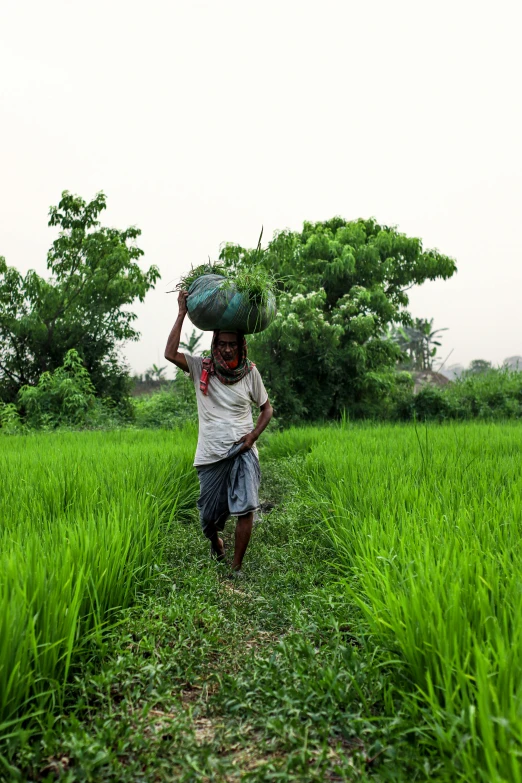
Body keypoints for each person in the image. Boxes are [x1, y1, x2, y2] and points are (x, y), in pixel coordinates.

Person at [164, 290, 273, 576]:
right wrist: (181, 314)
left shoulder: (250, 373)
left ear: (241, 345)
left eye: (232, 345)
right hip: (211, 455)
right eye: (222, 344)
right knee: (208, 520)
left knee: (246, 508)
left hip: (243, 451)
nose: (227, 349)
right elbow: (169, 354)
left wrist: (252, 437)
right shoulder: (202, 367)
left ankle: (236, 567)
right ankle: (216, 542)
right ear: (215, 344)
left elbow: (267, 409)